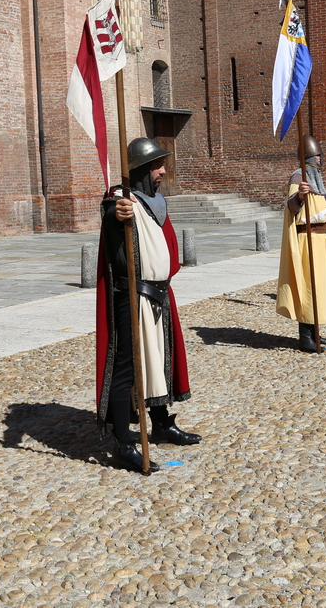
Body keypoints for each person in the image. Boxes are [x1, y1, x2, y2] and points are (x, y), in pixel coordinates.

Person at [96, 138, 201, 474]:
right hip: (133, 296)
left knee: (161, 360)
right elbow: (113, 211)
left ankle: (161, 424)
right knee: (127, 366)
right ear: (141, 169)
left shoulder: (156, 201)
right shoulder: (121, 198)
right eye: (157, 166)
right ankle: (123, 442)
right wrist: (118, 212)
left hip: (159, 294)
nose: (162, 171)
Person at [277, 134, 326, 350]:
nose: (321, 160)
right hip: (307, 241)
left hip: (321, 240)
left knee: (319, 287)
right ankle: (306, 338)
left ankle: (316, 332)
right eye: (317, 156)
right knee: (309, 286)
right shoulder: (297, 178)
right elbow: (291, 206)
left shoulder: (316, 178)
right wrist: (300, 197)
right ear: (309, 159)